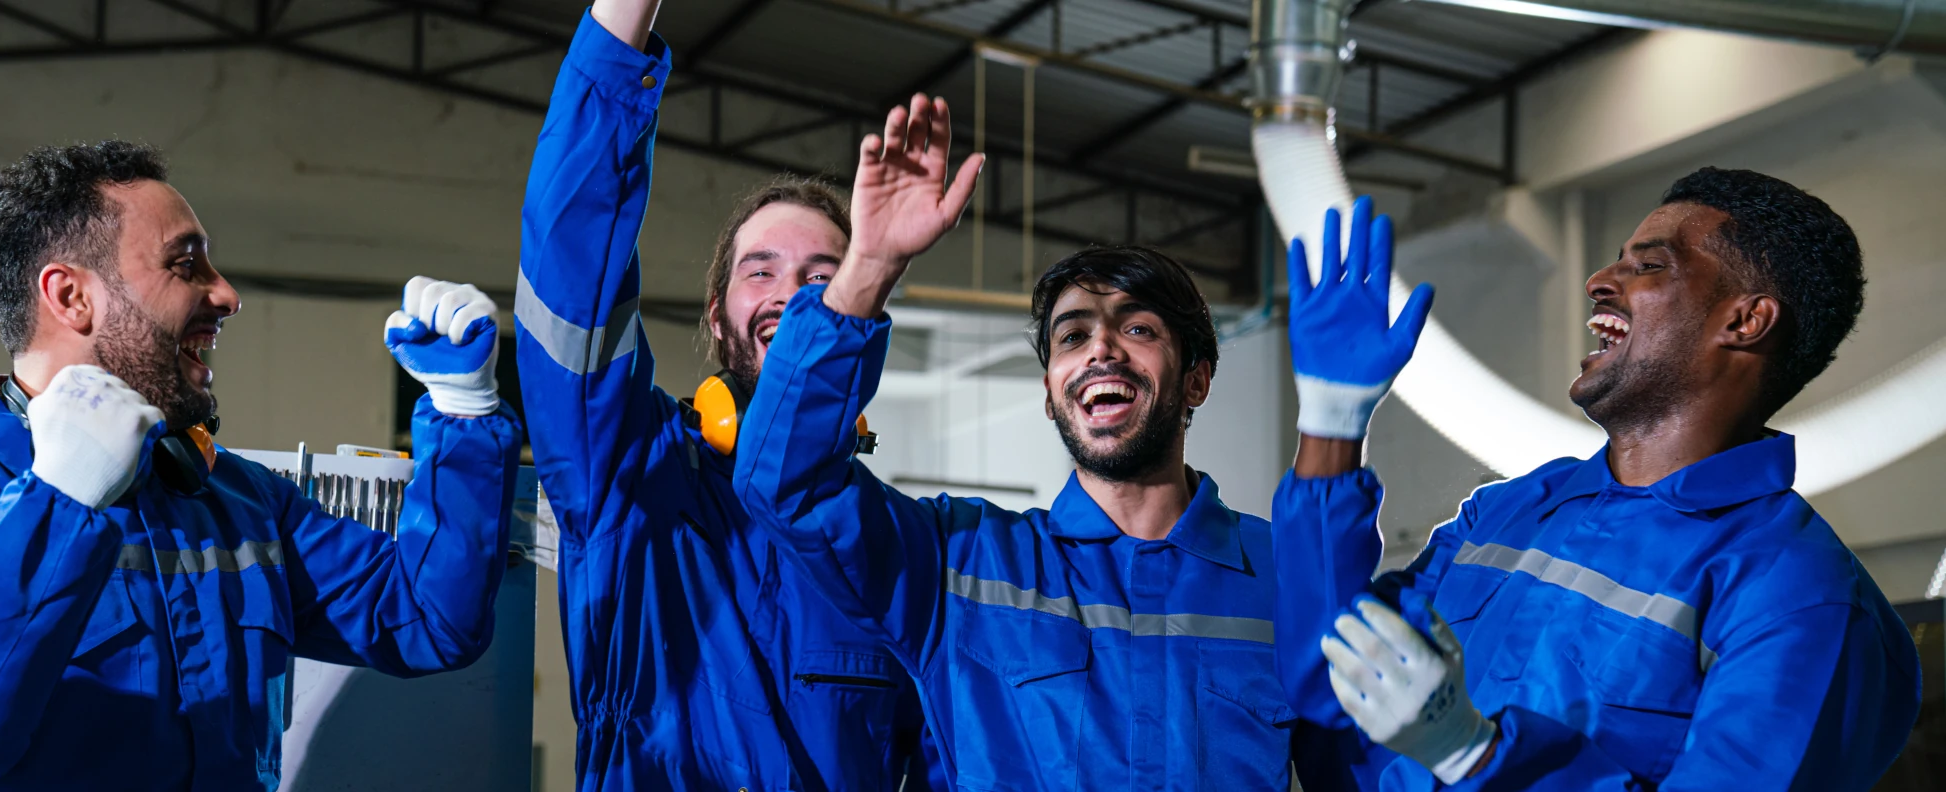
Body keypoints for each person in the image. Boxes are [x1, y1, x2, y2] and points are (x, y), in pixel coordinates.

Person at [0, 141, 524, 790]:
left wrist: (464, 413)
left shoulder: (235, 499)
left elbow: (428, 620)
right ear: (70, 296)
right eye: (185, 264)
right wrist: (57, 505)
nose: (226, 295)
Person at [727, 91, 1363, 789]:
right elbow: (781, 481)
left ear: (1196, 382)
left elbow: (1355, 771)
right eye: (1073, 335)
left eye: (1138, 328)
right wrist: (867, 268)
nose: (1102, 351)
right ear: (1051, 389)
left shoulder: (1281, 574)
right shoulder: (956, 562)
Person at [1271, 175, 1923, 790]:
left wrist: (1476, 756)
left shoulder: (1800, 596)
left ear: (1744, 321)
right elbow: (1329, 683)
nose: (1598, 280)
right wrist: (1333, 421)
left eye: (1648, 266)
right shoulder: (1512, 512)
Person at [512, 1, 933, 788]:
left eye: (822, 276)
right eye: (761, 270)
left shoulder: (891, 549)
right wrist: (620, 18)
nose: (792, 295)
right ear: (716, 314)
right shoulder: (630, 476)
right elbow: (574, 271)